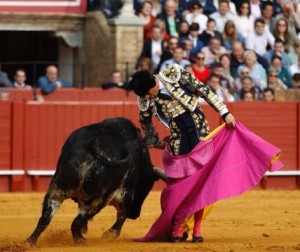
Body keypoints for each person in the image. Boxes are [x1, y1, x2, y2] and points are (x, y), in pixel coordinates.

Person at [129, 63, 282, 243]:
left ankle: (197, 230)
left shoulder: (174, 75)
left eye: (148, 93)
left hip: (200, 138)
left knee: (200, 186)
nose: (147, 98)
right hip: (178, 144)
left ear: (154, 84)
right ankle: (177, 227)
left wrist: (224, 113)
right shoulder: (146, 99)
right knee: (178, 190)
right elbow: (147, 126)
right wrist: (157, 143)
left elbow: (204, 91)